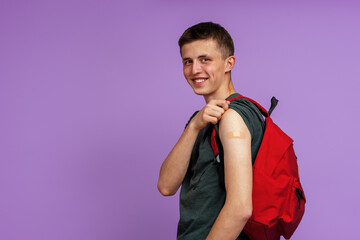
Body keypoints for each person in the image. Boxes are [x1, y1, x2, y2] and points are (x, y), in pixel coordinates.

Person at [157, 22, 265, 240]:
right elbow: (166, 186)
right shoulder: (203, 119)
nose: (195, 70)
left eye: (205, 59)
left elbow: (241, 207)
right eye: (188, 61)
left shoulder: (232, 117)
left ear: (229, 63)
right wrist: (194, 126)